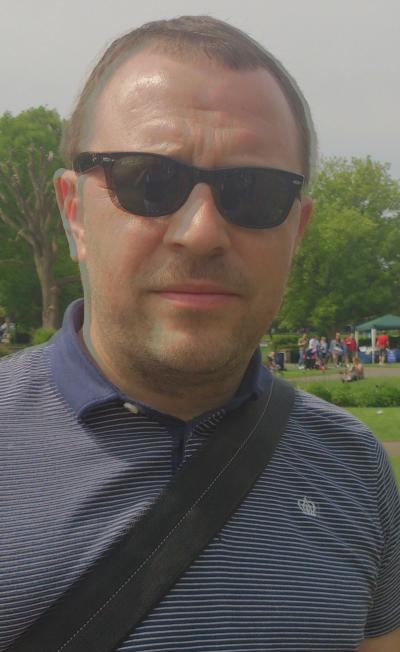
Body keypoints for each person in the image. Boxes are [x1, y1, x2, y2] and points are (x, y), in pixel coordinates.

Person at [1, 16, 399, 652]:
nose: (203, 231)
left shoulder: (353, 467)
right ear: (75, 214)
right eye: (149, 182)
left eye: (255, 191)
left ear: (297, 230)